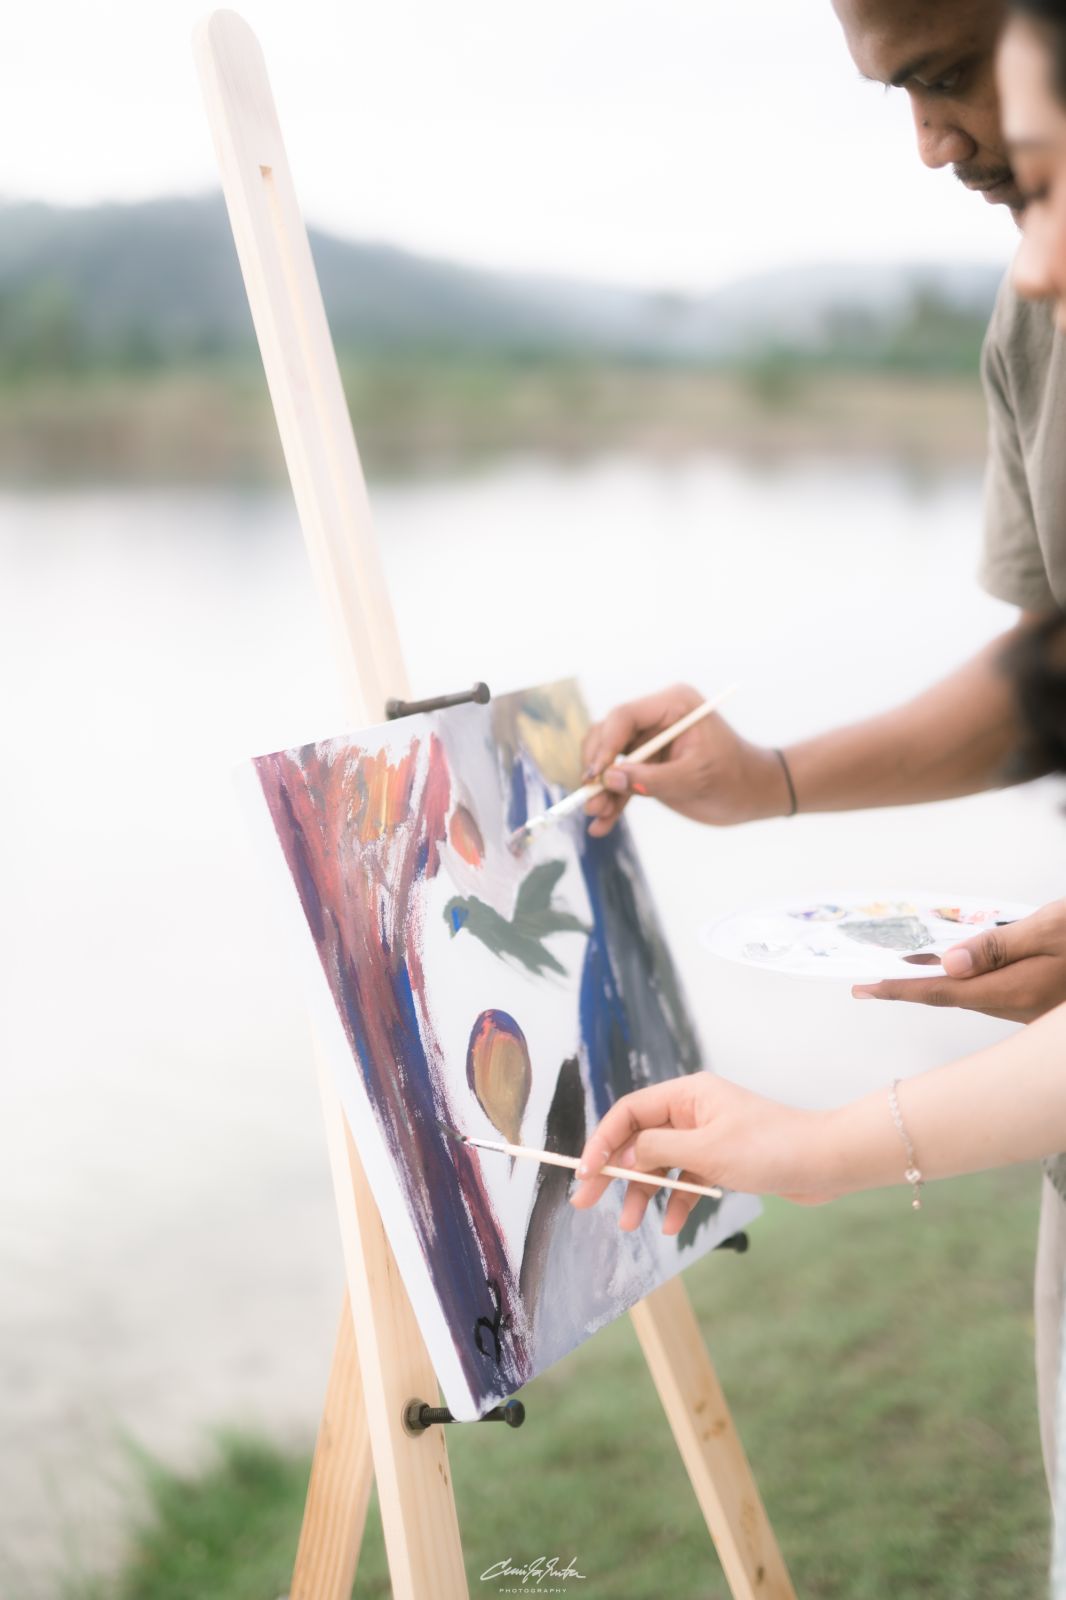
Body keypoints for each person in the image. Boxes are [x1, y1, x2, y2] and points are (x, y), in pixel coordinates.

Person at [578, 0, 1066, 1489]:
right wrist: (772, 783)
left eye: (950, 76)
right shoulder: (1034, 307)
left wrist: (821, 1147)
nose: (930, 147)